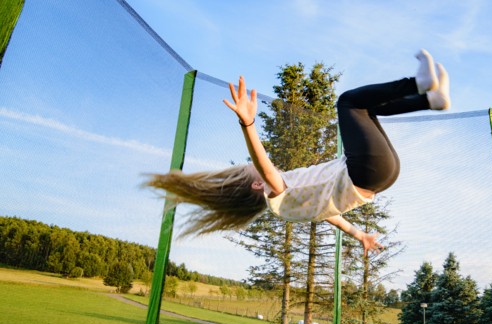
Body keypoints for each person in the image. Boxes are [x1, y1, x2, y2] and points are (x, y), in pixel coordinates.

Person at [146, 50, 450, 254]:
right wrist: (247, 123)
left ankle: (430, 100)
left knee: (366, 108)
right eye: (246, 169)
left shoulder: (292, 206)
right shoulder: (276, 190)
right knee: (348, 102)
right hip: (366, 170)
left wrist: (360, 235)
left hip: (381, 176)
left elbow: (331, 216)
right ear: (256, 185)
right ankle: (417, 84)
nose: (255, 168)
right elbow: (263, 165)